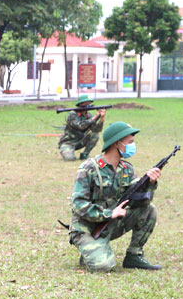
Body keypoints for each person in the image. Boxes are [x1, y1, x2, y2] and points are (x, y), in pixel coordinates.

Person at [68, 121, 162, 272]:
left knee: (149, 209)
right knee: (103, 266)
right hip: (87, 228)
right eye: (130, 142)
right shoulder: (89, 168)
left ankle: (133, 255)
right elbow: (78, 205)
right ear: (117, 143)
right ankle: (91, 251)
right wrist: (109, 213)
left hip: (110, 224)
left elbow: (141, 202)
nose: (133, 146)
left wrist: (149, 183)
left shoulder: (126, 169)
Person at [58, 94, 105, 161]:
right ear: (80, 104)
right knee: (69, 159)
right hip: (68, 142)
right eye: (85, 104)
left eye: (89, 103)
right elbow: (80, 126)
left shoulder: (89, 116)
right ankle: (67, 152)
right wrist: (95, 118)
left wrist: (102, 118)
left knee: (95, 135)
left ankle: (85, 154)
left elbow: (97, 130)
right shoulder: (73, 114)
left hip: (80, 141)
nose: (88, 105)